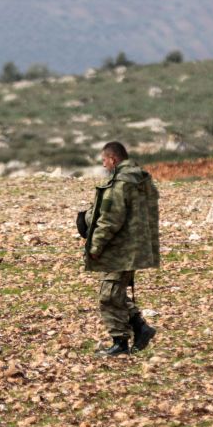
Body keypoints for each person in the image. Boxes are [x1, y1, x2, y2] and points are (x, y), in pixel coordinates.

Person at [82, 141, 159, 356]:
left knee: (108, 295)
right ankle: (140, 327)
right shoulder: (138, 178)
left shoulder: (120, 182)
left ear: (113, 159)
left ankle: (120, 343)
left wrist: (95, 246)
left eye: (104, 161)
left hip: (122, 249)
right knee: (116, 292)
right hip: (135, 246)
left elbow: (110, 219)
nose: (104, 165)